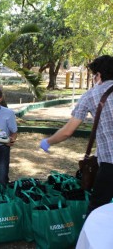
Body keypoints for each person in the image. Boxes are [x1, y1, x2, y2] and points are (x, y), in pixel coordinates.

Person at [40, 55, 113, 215]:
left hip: (110, 162)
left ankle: (90, 240)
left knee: (97, 209)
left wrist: (48, 141)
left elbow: (67, 131)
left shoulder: (91, 95)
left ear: (98, 75)